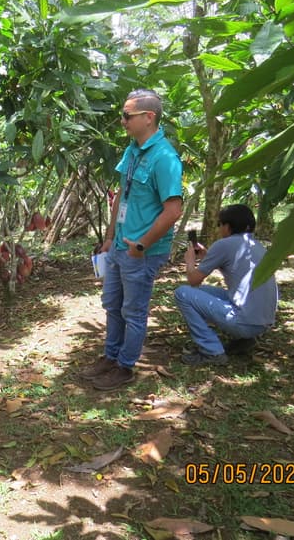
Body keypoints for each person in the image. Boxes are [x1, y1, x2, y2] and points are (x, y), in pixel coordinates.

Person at [80, 89, 183, 390]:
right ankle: (110, 357)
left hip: (141, 251)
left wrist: (142, 245)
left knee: (133, 310)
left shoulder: (165, 158)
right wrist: (110, 237)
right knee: (113, 304)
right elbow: (120, 198)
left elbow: (173, 210)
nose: (122, 120)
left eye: (127, 115)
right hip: (120, 246)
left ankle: (125, 366)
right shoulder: (132, 150)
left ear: (148, 117)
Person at [175, 204, 278, 365]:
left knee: (182, 293)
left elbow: (193, 280)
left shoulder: (224, 244)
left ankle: (212, 352)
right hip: (262, 322)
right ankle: (245, 340)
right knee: (201, 291)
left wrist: (190, 262)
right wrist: (208, 257)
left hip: (245, 321)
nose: (219, 229)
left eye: (219, 224)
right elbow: (235, 271)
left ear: (227, 226)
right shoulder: (256, 245)